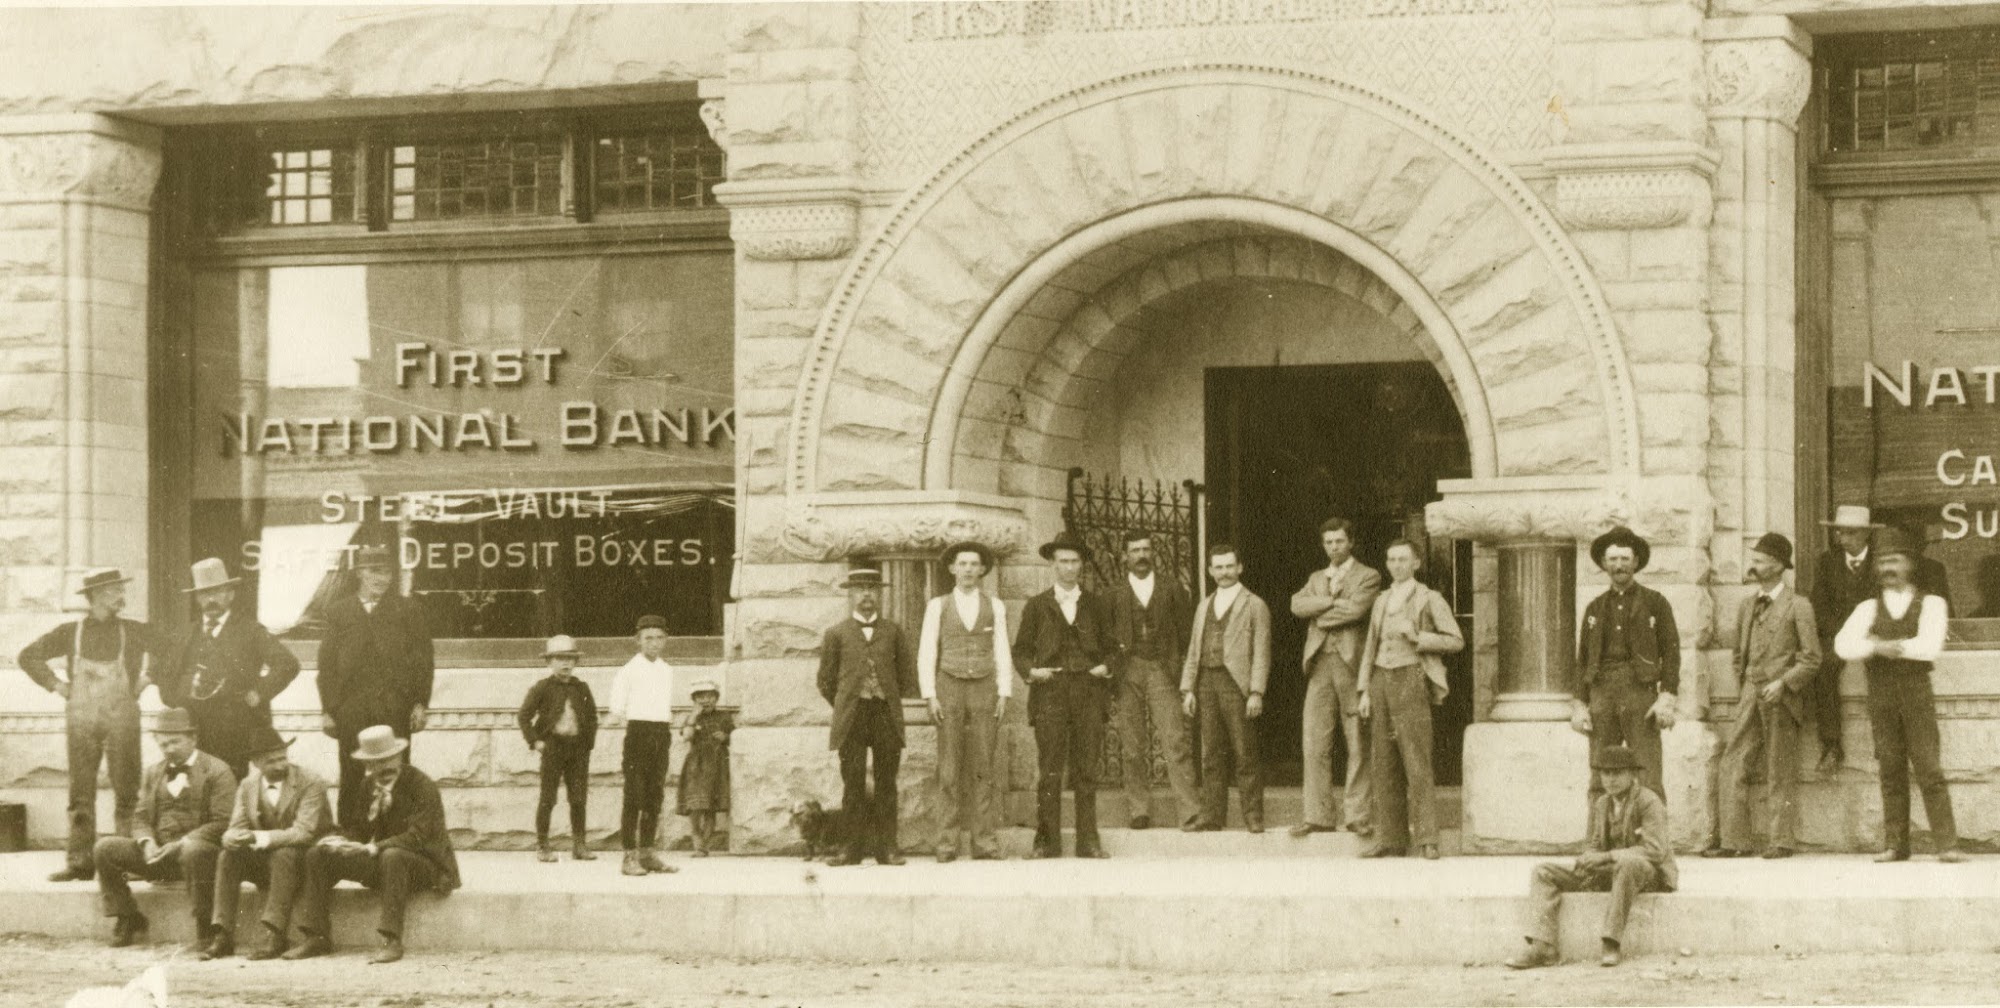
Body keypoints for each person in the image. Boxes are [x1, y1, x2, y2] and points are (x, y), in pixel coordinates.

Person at [1832, 529, 1965, 863]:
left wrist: (1886, 647)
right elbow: (1842, 644)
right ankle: (1896, 844)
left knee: (1928, 767)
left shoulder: (1932, 602)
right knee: (1889, 767)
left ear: (1909, 564)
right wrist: (1876, 646)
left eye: (1894, 560)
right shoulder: (1867, 607)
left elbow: (1930, 646)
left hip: (1915, 691)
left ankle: (1946, 845)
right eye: (1882, 562)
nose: (1887, 568)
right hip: (1880, 694)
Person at [16, 568, 155, 882]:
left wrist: (146, 680)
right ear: (95, 596)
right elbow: (28, 656)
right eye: (114, 590)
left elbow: (174, 652)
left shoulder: (134, 631)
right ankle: (80, 863)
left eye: (121, 588)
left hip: (123, 719)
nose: (121, 595)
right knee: (80, 793)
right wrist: (57, 685)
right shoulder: (70, 632)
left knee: (128, 792)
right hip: (81, 721)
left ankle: (127, 861)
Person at [286, 724, 461, 964]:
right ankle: (316, 937)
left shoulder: (422, 786)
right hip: (387, 863)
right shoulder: (368, 786)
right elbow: (360, 829)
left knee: (393, 855)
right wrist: (341, 842)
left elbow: (418, 836)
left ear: (399, 756)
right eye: (374, 763)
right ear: (366, 765)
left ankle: (392, 940)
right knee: (319, 854)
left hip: (427, 866)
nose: (382, 768)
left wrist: (373, 847)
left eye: (388, 760)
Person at [1505, 746, 1677, 970]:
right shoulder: (1602, 803)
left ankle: (1611, 942)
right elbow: (1595, 843)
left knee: (1627, 863)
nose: (1610, 779)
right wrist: (1588, 858)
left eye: (1617, 773)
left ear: (1632, 774)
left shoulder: (1648, 801)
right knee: (1543, 872)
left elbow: (1655, 851)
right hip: (1611, 872)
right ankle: (1543, 946)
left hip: (1648, 874)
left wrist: (1606, 856)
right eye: (1605, 773)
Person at [1707, 533, 1820, 860]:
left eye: (1758, 560)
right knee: (1732, 760)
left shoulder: (1799, 606)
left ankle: (1780, 841)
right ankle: (1734, 841)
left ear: (1777, 565)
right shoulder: (1746, 605)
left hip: (1781, 698)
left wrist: (1784, 683)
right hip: (1750, 694)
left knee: (1778, 767)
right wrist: (1747, 684)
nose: (1753, 566)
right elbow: (1737, 654)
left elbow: (1812, 658)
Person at [92, 707, 235, 950]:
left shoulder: (217, 770)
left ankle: (206, 926)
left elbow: (224, 822)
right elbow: (140, 818)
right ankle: (127, 917)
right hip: (158, 856)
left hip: (197, 857)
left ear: (193, 738)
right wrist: (147, 843)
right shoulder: (153, 773)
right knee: (105, 848)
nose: (169, 749)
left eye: (175, 742)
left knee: (195, 851)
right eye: (163, 744)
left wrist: (182, 843)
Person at [1354, 540, 1463, 860]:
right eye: (1391, 559)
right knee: (1382, 761)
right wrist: (1363, 691)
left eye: (1403, 559)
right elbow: (1370, 648)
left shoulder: (1430, 598)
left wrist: (1418, 637)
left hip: (1412, 677)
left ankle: (1428, 839)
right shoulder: (1381, 600)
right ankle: (1391, 838)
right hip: (1380, 680)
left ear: (1416, 563)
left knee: (1416, 760)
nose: (1396, 565)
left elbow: (1456, 640)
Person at [314, 544, 435, 831]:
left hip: (395, 708)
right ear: (359, 573)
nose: (382, 578)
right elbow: (327, 666)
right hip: (351, 712)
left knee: (396, 773)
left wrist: (420, 703)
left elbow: (423, 661)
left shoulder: (407, 610)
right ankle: (351, 839)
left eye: (386, 572)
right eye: (374, 571)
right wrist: (328, 710)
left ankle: (394, 837)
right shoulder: (338, 612)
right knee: (353, 774)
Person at [1014, 536, 1117, 859]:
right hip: (1051, 693)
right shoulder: (1036, 605)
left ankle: (1089, 841)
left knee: (1087, 769)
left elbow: (1115, 647)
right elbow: (1022, 651)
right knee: (1050, 769)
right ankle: (1047, 841)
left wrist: (1106, 667)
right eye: (1063, 561)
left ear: (1081, 565)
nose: (1069, 567)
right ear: (1052, 564)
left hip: (1088, 690)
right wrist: (1033, 672)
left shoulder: (1097, 604)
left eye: (1074, 561)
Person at [157, 558, 301, 778]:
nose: (211, 599)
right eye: (205, 594)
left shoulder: (250, 630)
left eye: (217, 592)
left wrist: (259, 693)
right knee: (193, 785)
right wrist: (175, 700)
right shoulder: (186, 633)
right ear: (197, 598)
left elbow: (287, 664)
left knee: (230, 785)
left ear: (230, 594)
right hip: (192, 726)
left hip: (233, 726)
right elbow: (166, 670)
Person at [917, 541, 1016, 862]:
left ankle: (984, 842)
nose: (969, 569)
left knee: (984, 765)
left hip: (985, 687)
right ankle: (945, 843)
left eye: (975, 564)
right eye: (963, 564)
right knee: (948, 766)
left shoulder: (995, 606)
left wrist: (1004, 692)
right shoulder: (938, 606)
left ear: (982, 570)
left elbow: (1002, 649)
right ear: (952, 569)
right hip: (949, 686)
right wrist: (930, 695)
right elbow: (927, 652)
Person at [1288, 517, 1381, 838]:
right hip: (1319, 666)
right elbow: (1296, 605)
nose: (1333, 547)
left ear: (1351, 542)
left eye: (1339, 541)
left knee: (1358, 740)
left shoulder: (1368, 575)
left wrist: (1321, 615)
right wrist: (1330, 601)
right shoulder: (1317, 577)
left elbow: (1355, 611)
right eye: (1328, 542)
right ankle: (1318, 815)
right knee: (1314, 740)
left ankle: (1358, 815)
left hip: (1351, 666)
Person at [1572, 527, 1680, 803]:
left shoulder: (1656, 603)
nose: (1618, 565)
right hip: (1601, 694)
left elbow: (1671, 652)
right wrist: (1580, 704)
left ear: (1635, 562)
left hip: (1640, 693)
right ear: (1604, 565)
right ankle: (1597, 841)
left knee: (1648, 772)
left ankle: (1652, 841)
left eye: (1624, 559)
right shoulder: (1595, 608)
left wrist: (1667, 696)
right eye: (1612, 560)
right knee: (1600, 772)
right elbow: (1583, 659)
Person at [207, 724, 330, 960]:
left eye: (282, 758)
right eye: (271, 761)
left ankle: (275, 933)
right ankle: (222, 934)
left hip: (306, 857)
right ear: (256, 762)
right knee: (227, 855)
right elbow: (236, 825)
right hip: (270, 858)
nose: (280, 765)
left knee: (284, 854)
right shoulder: (248, 785)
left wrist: (258, 837)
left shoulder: (310, 782)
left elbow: (304, 832)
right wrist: (231, 838)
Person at [816, 570, 914, 866]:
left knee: (887, 783)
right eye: (860, 589)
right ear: (851, 594)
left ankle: (888, 849)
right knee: (853, 783)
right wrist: (847, 701)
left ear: (880, 594)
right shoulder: (836, 633)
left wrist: (884, 694)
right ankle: (851, 849)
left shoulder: (894, 632)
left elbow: (906, 677)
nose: (866, 594)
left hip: (885, 714)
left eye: (872, 588)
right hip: (853, 715)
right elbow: (825, 680)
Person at [1106, 530, 1198, 830]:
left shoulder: (1172, 588)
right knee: (1132, 744)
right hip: (1127, 670)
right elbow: (1105, 637)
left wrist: (1179, 668)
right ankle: (1139, 809)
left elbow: (1186, 633)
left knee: (1175, 739)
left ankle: (1189, 810)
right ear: (1125, 556)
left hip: (1161, 668)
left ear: (1153, 553)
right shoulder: (1114, 593)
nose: (1141, 555)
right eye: (1135, 550)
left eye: (1146, 550)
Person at [1180, 544, 1272, 833]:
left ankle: (1253, 816)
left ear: (1240, 567)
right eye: (1218, 567)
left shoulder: (1254, 604)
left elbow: (1262, 651)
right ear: (1210, 571)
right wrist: (1188, 688)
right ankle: (1212, 816)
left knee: (1244, 752)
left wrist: (1256, 691)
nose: (1224, 572)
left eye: (1229, 566)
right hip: (1207, 681)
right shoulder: (1204, 605)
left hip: (1236, 683)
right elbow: (1195, 648)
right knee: (1211, 753)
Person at [1810, 505, 1878, 774]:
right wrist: (1842, 634)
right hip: (1838, 635)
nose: (1843, 539)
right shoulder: (1828, 562)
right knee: (1823, 667)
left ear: (1865, 535)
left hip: (1873, 633)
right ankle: (1831, 746)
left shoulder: (1880, 560)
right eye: (1840, 533)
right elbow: (1819, 605)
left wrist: (1868, 633)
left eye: (1850, 533)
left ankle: (1883, 743)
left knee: (1882, 670)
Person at [518, 634, 598, 862]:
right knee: (548, 798)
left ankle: (579, 845)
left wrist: (587, 744)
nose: (565, 663)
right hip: (552, 748)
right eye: (559, 659)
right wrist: (535, 741)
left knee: (578, 798)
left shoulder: (581, 688)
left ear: (576, 662)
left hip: (577, 750)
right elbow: (524, 716)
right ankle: (543, 845)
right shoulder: (542, 688)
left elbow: (592, 717)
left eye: (570, 659)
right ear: (549, 662)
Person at [610, 615, 678, 876]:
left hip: (661, 733)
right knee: (634, 795)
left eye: (660, 638)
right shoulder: (628, 670)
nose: (654, 643)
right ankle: (629, 856)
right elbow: (617, 707)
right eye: (648, 638)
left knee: (654, 795)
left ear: (666, 641)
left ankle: (648, 853)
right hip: (638, 733)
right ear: (637, 640)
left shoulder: (667, 670)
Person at [678, 680, 733, 856]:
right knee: (695, 805)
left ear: (716, 698)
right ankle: (696, 838)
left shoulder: (724, 716)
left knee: (710, 807)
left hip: (717, 765)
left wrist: (725, 737)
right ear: (694, 699)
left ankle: (704, 846)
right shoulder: (691, 717)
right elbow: (687, 736)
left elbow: (735, 737)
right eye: (701, 696)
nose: (706, 700)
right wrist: (694, 716)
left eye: (710, 696)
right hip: (696, 765)